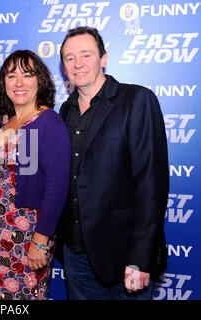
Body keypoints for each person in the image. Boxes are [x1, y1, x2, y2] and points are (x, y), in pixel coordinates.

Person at [57, 26, 169, 300]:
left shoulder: (136, 100)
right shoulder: (64, 110)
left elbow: (151, 185)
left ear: (103, 58)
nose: (78, 64)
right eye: (70, 58)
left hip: (124, 255)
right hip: (75, 255)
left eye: (86, 55)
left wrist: (140, 259)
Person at [0, 50, 71, 300]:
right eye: (11, 76)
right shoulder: (7, 122)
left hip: (26, 233)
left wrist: (40, 241)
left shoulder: (48, 123)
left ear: (40, 80)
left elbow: (57, 186)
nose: (19, 82)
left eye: (27, 75)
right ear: (4, 84)